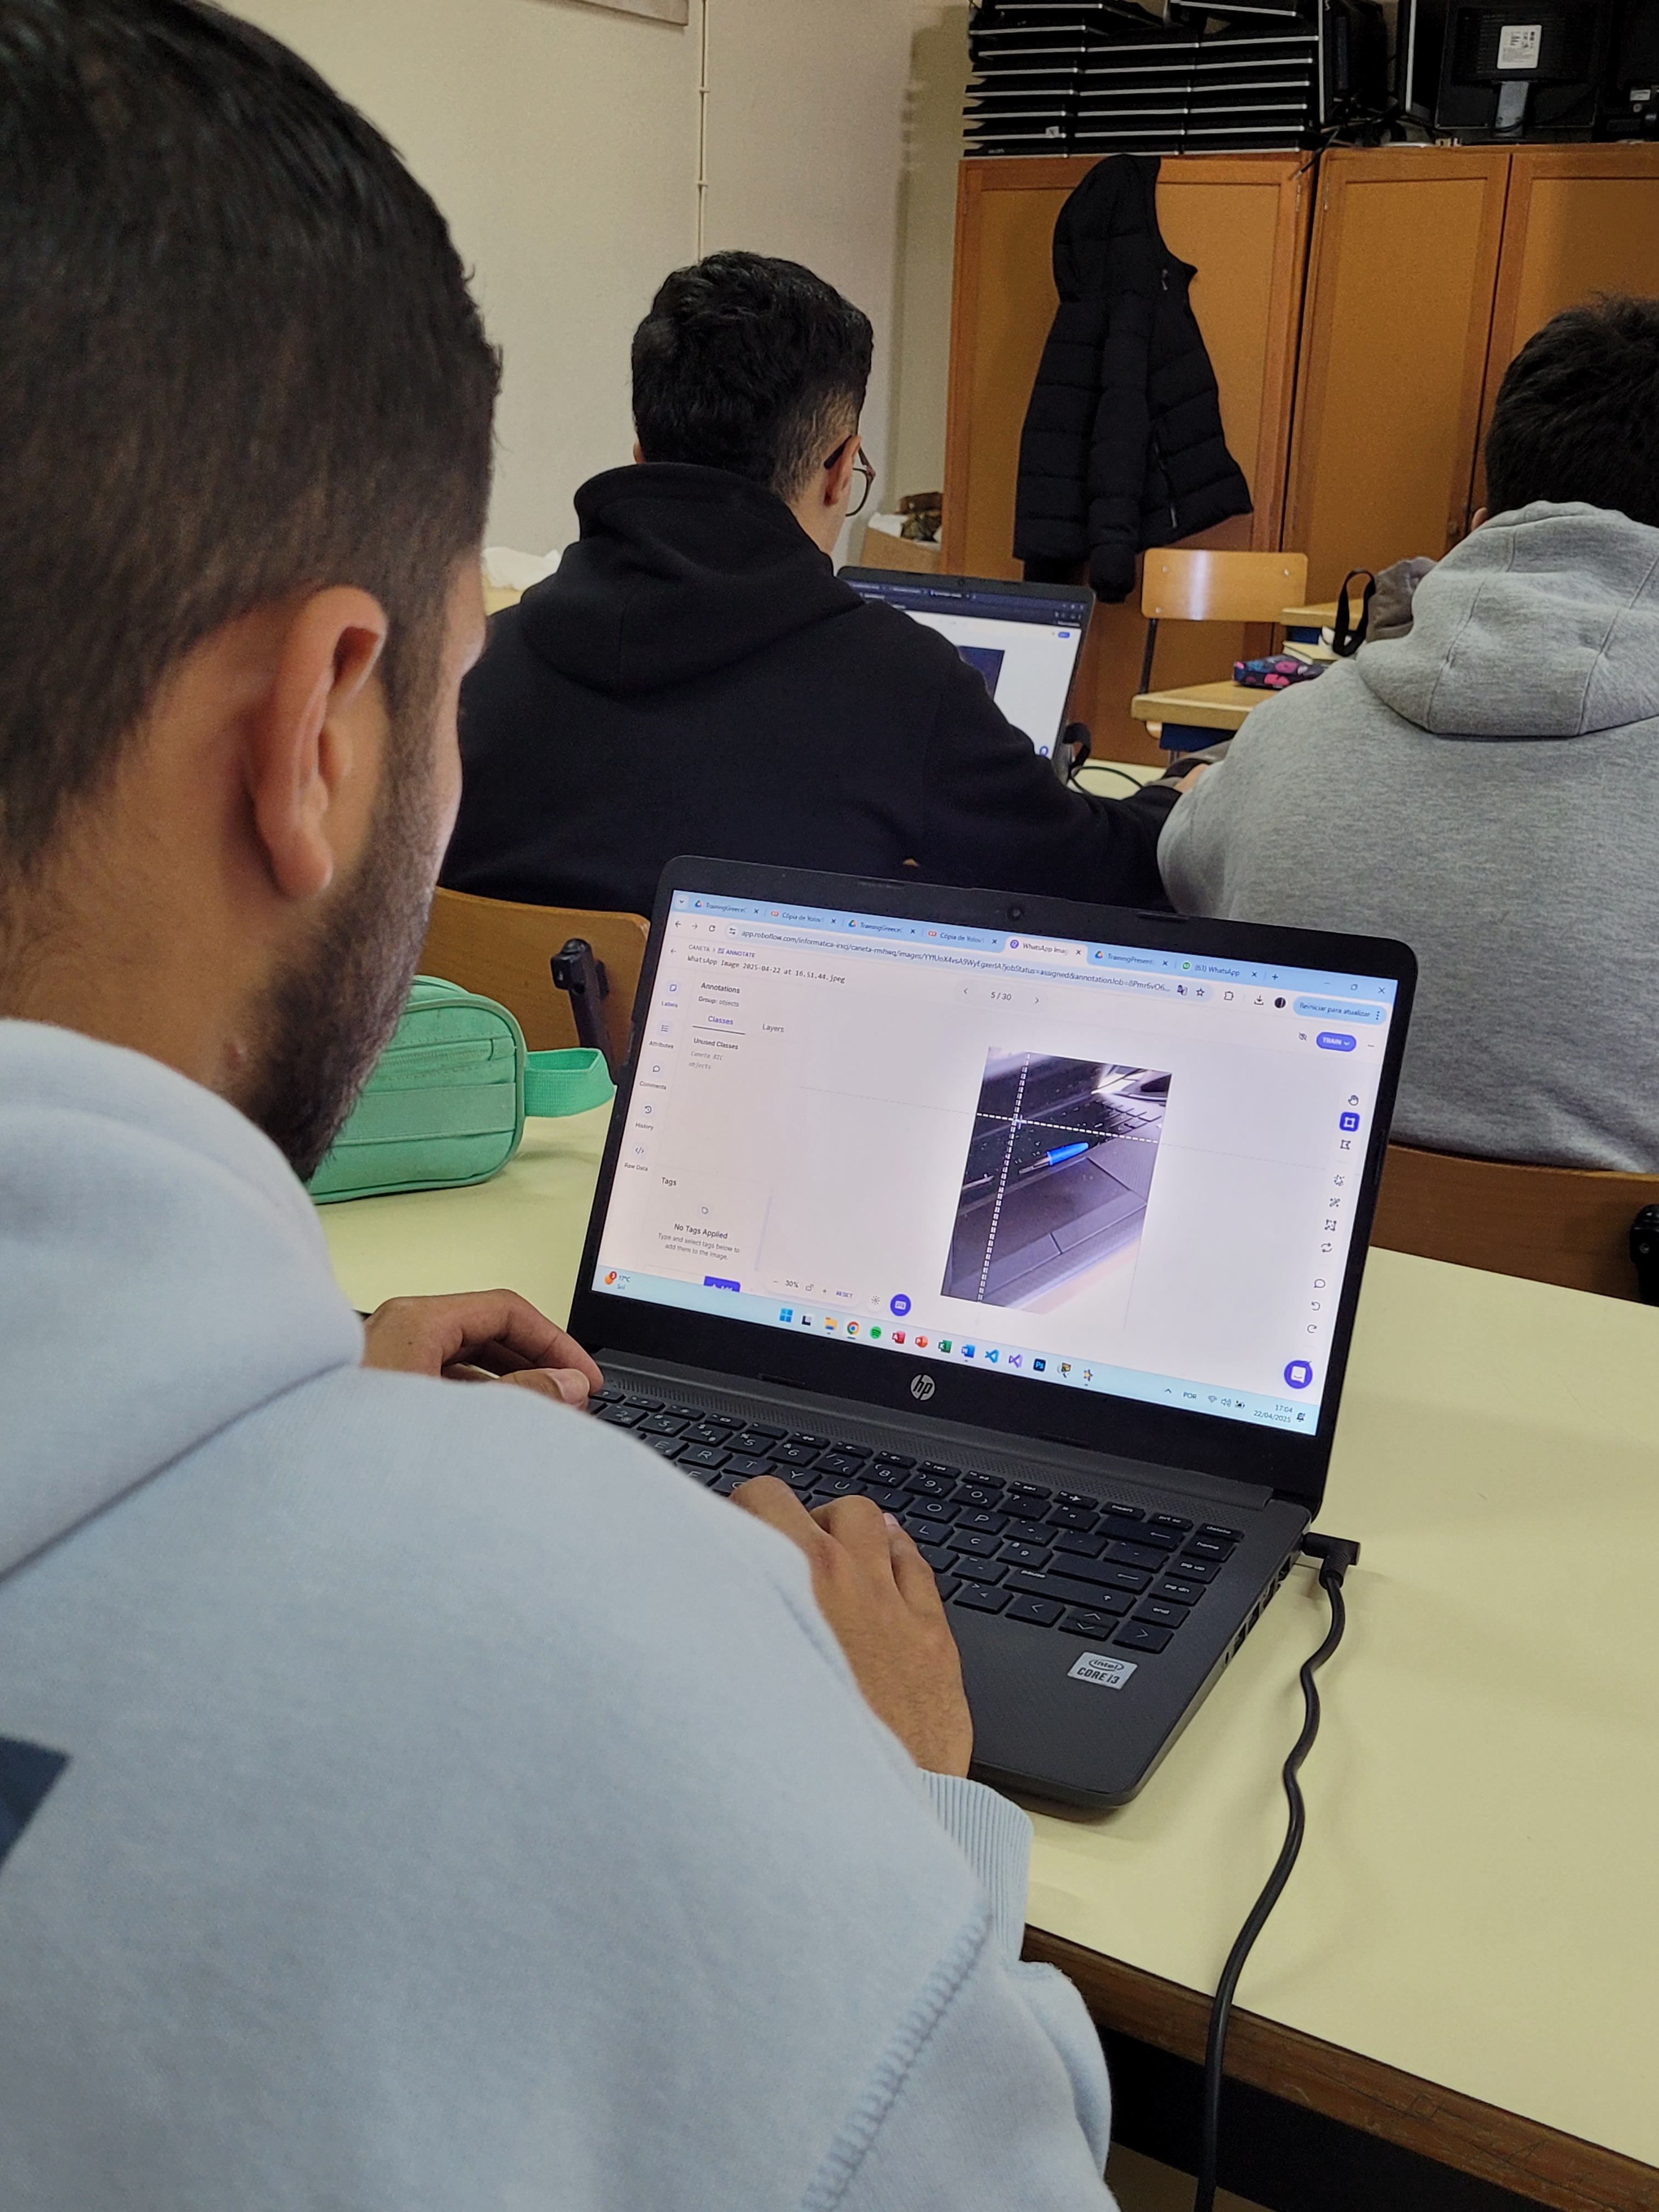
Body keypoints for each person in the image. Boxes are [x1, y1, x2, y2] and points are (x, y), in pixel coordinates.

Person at [0, 6, 1121, 2206]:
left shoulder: (548, 649)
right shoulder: (611, 1677)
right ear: (320, 729)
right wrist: (893, 1795)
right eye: (434, 692)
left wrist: (248, 1404)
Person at [440, 250, 1183, 919]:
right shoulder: (897, 683)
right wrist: (1181, 804)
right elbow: (1092, 869)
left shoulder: (472, 669)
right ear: (839, 469)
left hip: (495, 1034)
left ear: (641, 456)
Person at [1159, 294, 1659, 1172]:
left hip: (1288, 1241)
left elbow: (1182, 875)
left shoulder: (1282, 737)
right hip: (1606, 1263)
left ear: (1483, 524)